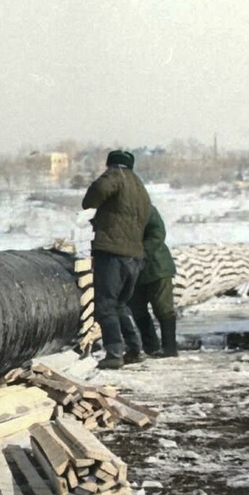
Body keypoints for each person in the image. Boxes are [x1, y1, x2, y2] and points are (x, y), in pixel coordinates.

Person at [81, 150, 151, 369]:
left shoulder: (116, 175)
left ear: (113, 164)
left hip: (113, 252)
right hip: (134, 254)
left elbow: (97, 192)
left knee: (105, 305)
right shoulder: (139, 185)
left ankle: (114, 353)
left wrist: (90, 201)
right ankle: (135, 348)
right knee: (121, 304)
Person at [129, 204, 179, 357]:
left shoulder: (146, 209)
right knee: (137, 309)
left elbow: (157, 234)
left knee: (163, 308)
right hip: (133, 269)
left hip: (157, 266)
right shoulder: (115, 213)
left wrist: (139, 252)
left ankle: (170, 348)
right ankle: (151, 346)